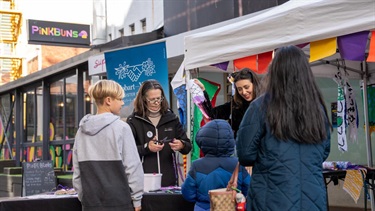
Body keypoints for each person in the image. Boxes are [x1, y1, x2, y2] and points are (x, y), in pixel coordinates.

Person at [236, 45, 331, 211]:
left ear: (275, 72)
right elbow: (324, 151)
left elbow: (245, 154)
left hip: (271, 198)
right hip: (313, 198)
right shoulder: (318, 109)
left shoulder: (260, 106)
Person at [72, 79, 144, 211]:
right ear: (109, 100)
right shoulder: (122, 128)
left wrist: (84, 197)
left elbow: (77, 172)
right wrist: (137, 199)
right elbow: (132, 166)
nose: (123, 103)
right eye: (120, 99)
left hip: (90, 203)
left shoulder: (81, 131)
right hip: (120, 202)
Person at [127, 79, 192, 187]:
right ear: (143, 99)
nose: (157, 103)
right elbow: (128, 151)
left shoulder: (171, 118)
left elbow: (188, 146)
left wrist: (181, 145)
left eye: (159, 98)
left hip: (169, 181)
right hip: (143, 181)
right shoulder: (134, 120)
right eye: (152, 100)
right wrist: (147, 147)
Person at [181, 119, 250, 211]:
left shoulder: (197, 165)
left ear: (203, 140)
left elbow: (188, 194)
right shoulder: (238, 164)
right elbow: (249, 189)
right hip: (232, 207)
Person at [194, 68, 262, 137]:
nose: (244, 92)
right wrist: (202, 91)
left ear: (254, 85)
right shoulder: (235, 105)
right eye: (239, 89)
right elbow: (211, 114)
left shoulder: (266, 103)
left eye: (246, 87)